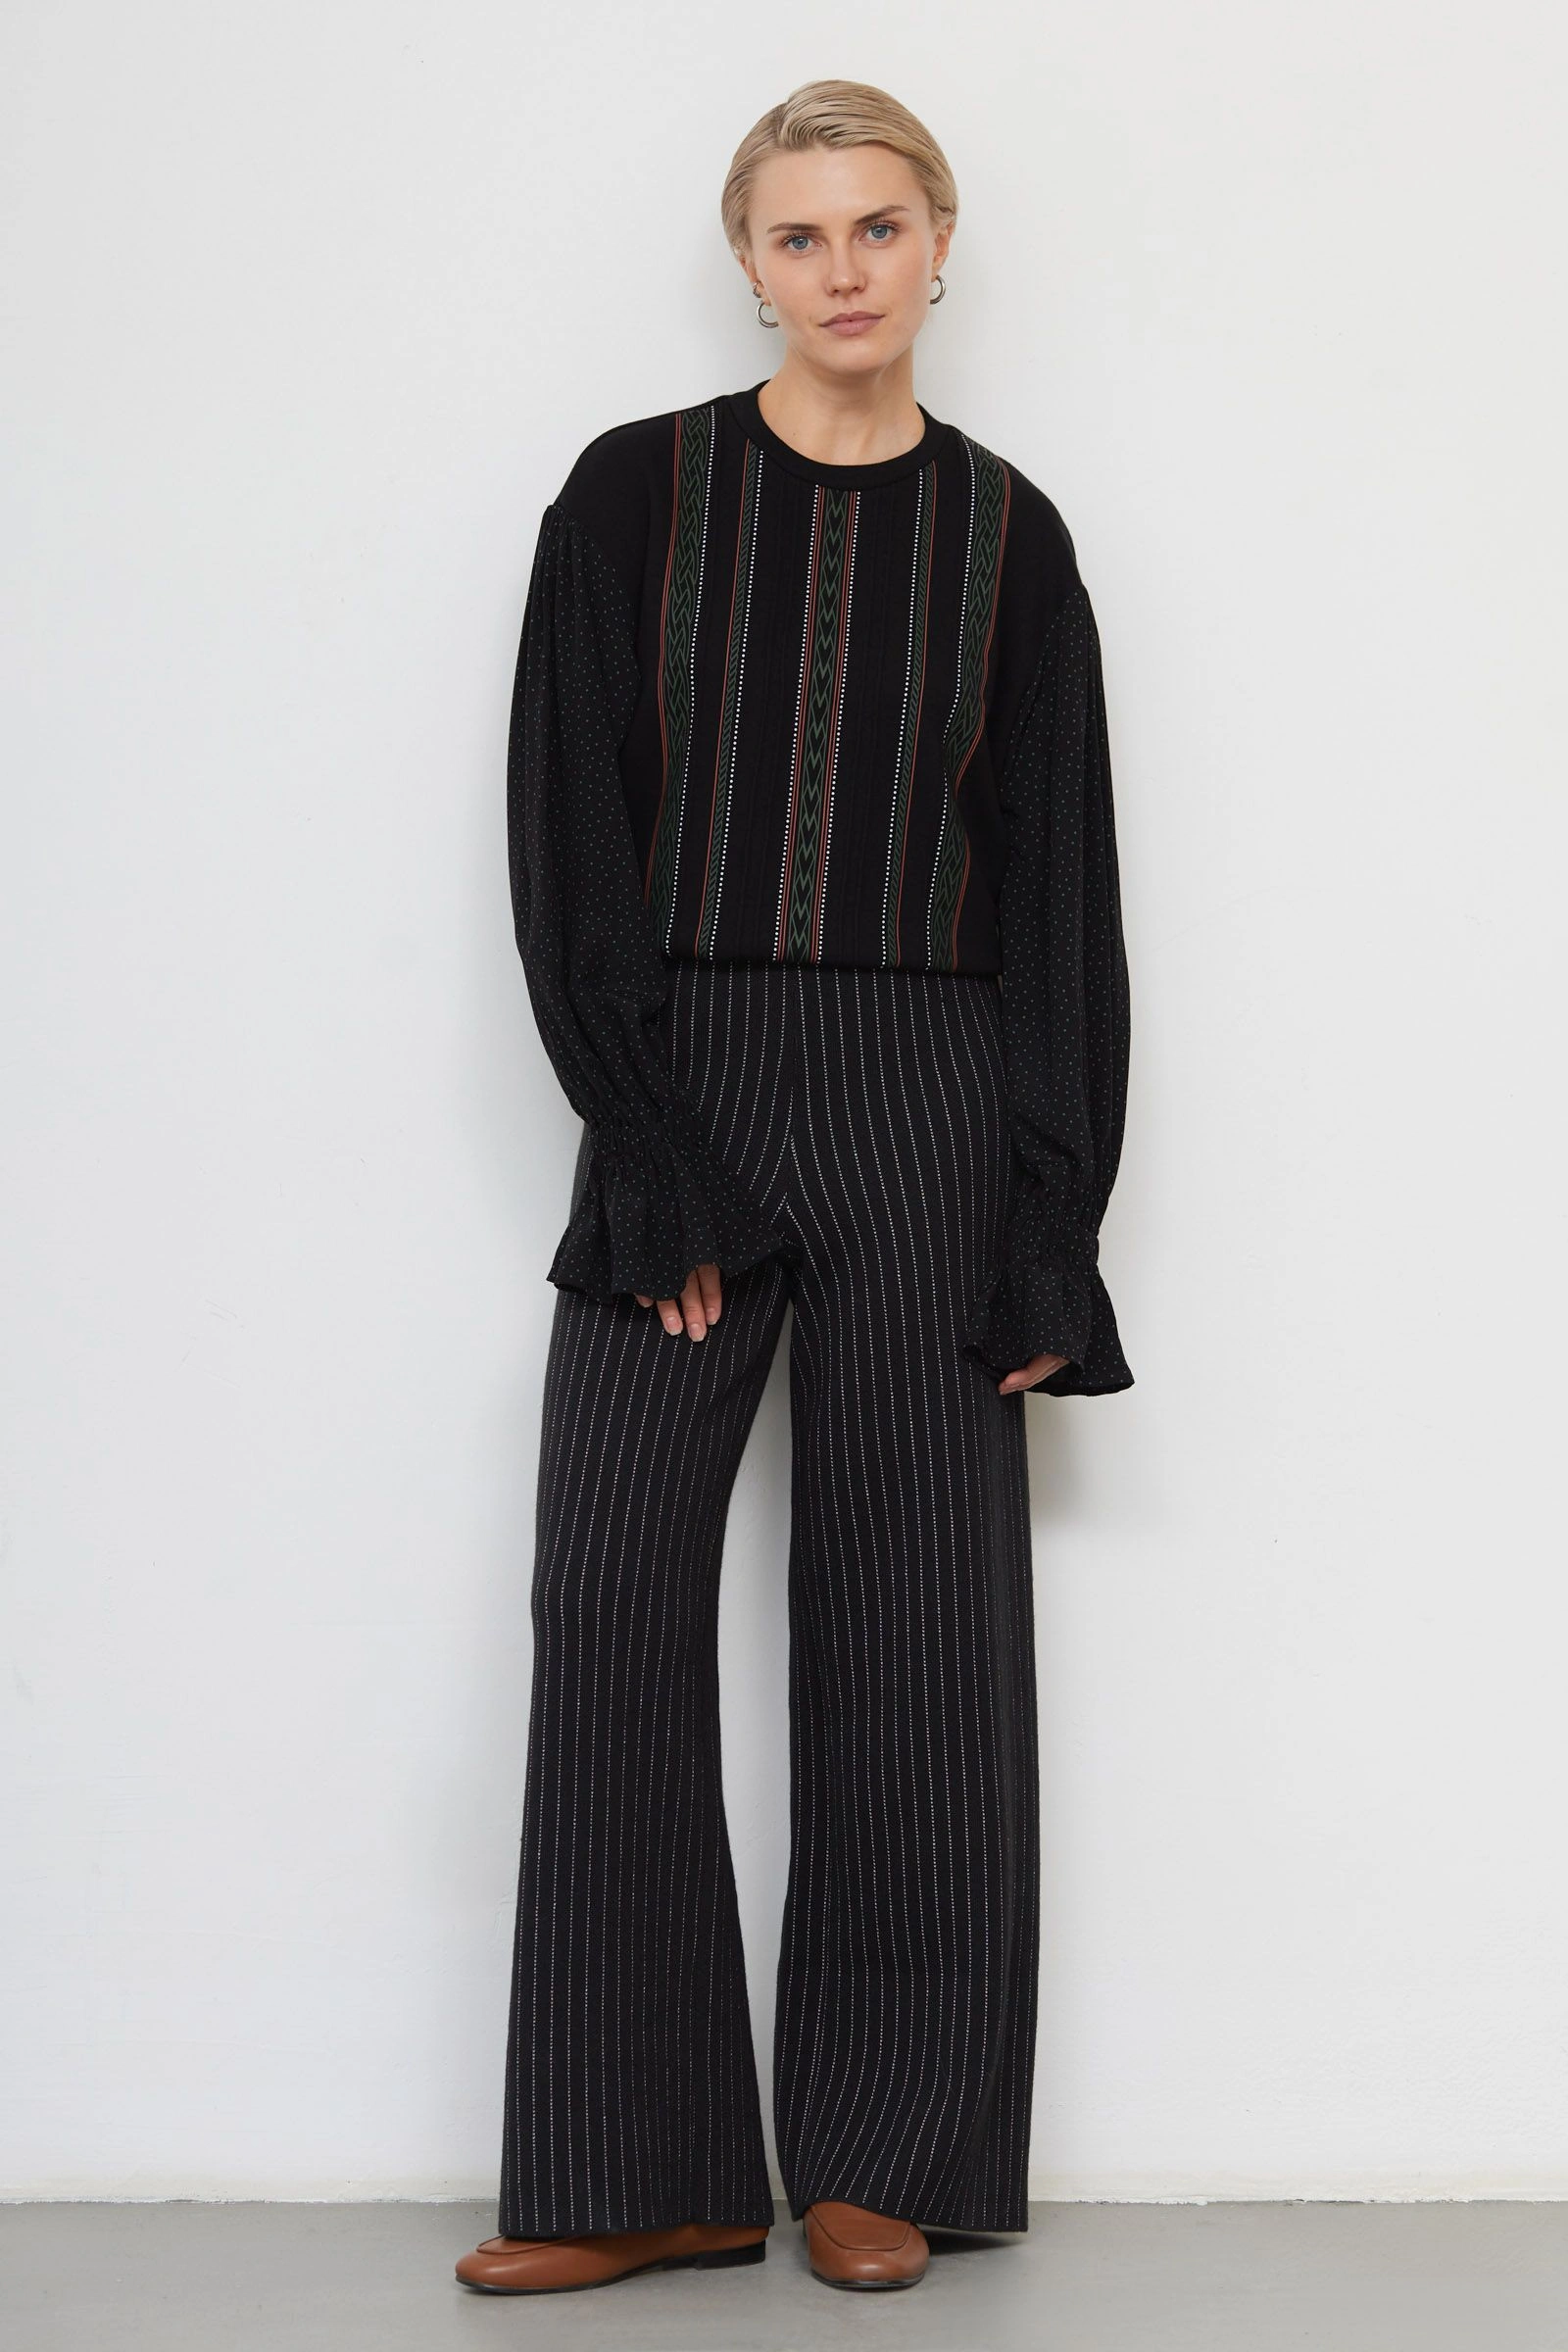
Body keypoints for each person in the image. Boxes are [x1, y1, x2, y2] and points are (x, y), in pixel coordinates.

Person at [456, 76, 1135, 2300]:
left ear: (940, 244)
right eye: (797, 234)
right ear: (746, 264)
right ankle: (633, 2166)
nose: (843, 271)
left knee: (918, 1631)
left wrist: (1051, 1220)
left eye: (877, 227)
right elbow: (569, 848)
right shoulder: (629, 497)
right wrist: (649, 1150)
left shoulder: (1013, 538)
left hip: (936, 1092)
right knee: (611, 1596)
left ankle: (883, 2154)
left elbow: (1061, 897)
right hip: (690, 1081)